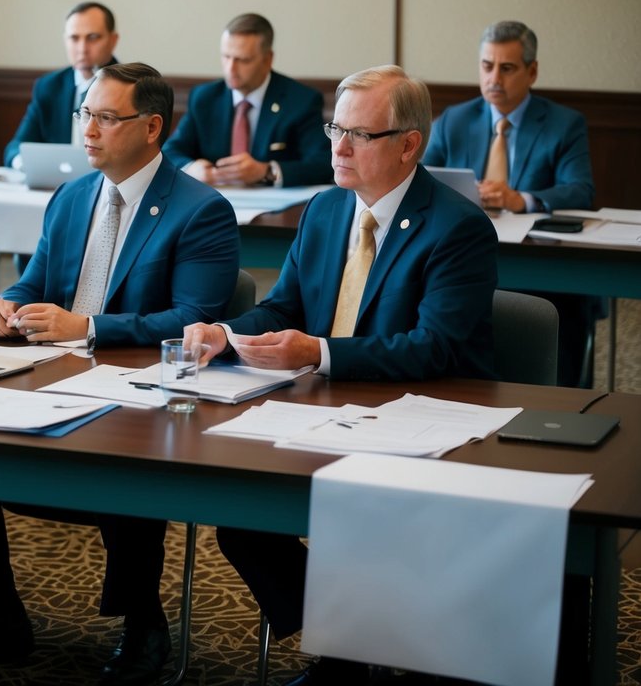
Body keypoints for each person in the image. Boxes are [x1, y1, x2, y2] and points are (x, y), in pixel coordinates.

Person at [184, 65, 498, 686]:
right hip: (321, 406)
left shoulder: (457, 227)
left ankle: (361, 653)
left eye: (359, 134)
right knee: (240, 509)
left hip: (418, 415)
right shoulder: (326, 209)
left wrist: (318, 353)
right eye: (334, 129)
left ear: (408, 144)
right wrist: (227, 333)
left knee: (364, 512)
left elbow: (433, 348)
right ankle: (359, 641)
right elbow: (284, 307)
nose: (339, 148)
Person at [0, 63, 241, 685]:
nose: (89, 130)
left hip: (144, 392)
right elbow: (40, 281)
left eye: (108, 118)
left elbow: (193, 317)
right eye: (85, 114)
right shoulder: (72, 195)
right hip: (51, 374)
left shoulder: (201, 210)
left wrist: (87, 328)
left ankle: (144, 623)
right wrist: (8, 303)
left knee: (123, 457)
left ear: (152, 126)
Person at [422, 20, 597, 386]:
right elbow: (421, 180)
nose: (494, 79)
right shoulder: (454, 119)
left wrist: (523, 199)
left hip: (542, 261)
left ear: (532, 72)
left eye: (507, 68)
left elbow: (581, 189)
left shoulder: (563, 124)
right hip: (464, 248)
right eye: (487, 67)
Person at [162, 13, 330, 187]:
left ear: (267, 59)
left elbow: (323, 163)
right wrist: (191, 168)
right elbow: (170, 151)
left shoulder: (301, 100)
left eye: (243, 60)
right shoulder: (205, 98)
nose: (230, 69)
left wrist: (266, 171)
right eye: (226, 57)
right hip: (214, 200)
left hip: (273, 207)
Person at [1, 1, 120, 169]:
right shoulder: (49, 86)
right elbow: (16, 147)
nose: (82, 48)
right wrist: (25, 164)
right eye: (74, 38)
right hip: (54, 185)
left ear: (113, 40)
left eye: (93, 38)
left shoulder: (128, 88)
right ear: (65, 40)